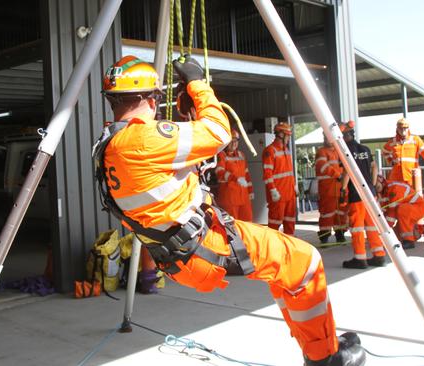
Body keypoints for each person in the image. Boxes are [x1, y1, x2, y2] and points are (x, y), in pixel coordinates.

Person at [94, 55, 365, 365]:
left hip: (180, 252)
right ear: (148, 97)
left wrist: (188, 119)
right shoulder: (145, 139)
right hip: (205, 245)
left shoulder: (111, 144)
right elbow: (218, 132)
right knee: (307, 264)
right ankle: (324, 357)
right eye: (156, 97)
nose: (157, 105)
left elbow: (165, 164)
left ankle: (318, 343)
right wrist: (198, 84)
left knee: (284, 270)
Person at [340, 120, 389, 268]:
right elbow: (374, 167)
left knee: (357, 227)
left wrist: (343, 190)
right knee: (372, 225)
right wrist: (373, 185)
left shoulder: (345, 151)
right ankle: (379, 256)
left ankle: (359, 258)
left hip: (357, 195)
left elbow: (347, 172)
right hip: (370, 194)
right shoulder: (365, 149)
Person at [381, 118, 424, 242]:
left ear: (408, 128)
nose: (404, 130)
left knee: (407, 210)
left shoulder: (415, 139)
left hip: (410, 179)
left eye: (406, 128)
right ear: (397, 128)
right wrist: (391, 161)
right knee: (401, 211)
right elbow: (384, 151)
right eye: (401, 128)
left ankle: (422, 229)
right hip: (396, 179)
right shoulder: (392, 142)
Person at [263, 121, 297, 235]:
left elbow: (289, 172)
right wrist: (273, 190)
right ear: (281, 135)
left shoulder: (286, 150)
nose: (288, 139)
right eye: (287, 136)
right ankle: (272, 249)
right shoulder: (270, 150)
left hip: (289, 194)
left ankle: (290, 248)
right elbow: (267, 173)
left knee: (290, 222)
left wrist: (294, 186)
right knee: (274, 224)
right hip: (278, 196)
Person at [375, 175, 424, 249]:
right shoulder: (382, 191)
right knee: (397, 234)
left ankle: (409, 241)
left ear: (381, 180)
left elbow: (391, 215)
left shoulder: (394, 188)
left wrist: (384, 230)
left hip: (418, 207)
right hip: (409, 209)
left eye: (376, 183)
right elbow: (386, 212)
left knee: (402, 210)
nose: (375, 187)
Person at [315, 134, 347, 244]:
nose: (328, 140)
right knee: (327, 214)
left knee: (340, 213)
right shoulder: (321, 152)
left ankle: (340, 233)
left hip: (339, 188)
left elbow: (344, 167)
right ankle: (324, 236)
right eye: (326, 138)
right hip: (327, 189)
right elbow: (323, 166)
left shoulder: (337, 151)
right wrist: (337, 175)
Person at [215, 130, 254, 221]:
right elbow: (219, 172)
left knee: (248, 222)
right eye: (231, 141)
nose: (234, 143)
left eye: (236, 141)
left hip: (243, 196)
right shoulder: (221, 155)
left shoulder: (241, 155)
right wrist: (235, 178)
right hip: (229, 198)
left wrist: (250, 191)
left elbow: (246, 174)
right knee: (233, 225)